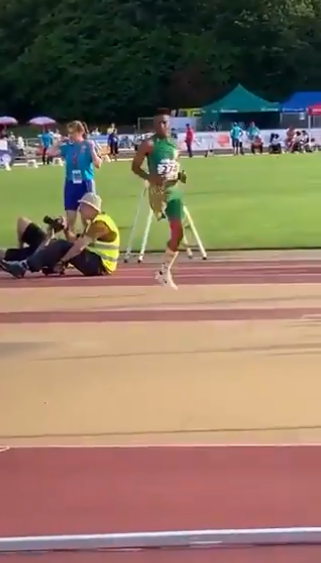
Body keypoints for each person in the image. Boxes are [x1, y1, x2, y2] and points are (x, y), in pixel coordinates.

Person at [0, 193, 120, 279]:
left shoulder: (100, 224)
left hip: (100, 266)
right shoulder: (95, 223)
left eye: (82, 207)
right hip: (96, 262)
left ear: (91, 208)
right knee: (61, 245)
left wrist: (62, 261)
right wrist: (66, 229)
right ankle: (44, 265)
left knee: (61, 245)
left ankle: (24, 266)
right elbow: (75, 241)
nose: (79, 210)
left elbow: (78, 247)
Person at [131, 109, 187, 289]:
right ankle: (164, 271)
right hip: (160, 192)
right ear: (154, 126)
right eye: (159, 123)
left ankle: (164, 271)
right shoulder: (149, 144)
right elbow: (135, 167)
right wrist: (149, 177)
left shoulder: (173, 144)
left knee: (179, 234)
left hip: (174, 189)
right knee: (176, 227)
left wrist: (180, 175)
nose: (163, 126)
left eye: (166, 122)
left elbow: (172, 166)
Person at [49, 120, 102, 230]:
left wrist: (92, 149)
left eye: (72, 132)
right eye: (69, 133)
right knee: (70, 217)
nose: (70, 136)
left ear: (80, 131)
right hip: (71, 183)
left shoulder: (88, 145)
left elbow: (98, 164)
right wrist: (57, 143)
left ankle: (88, 241)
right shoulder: (67, 146)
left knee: (86, 219)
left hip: (85, 183)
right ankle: (71, 243)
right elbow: (50, 153)